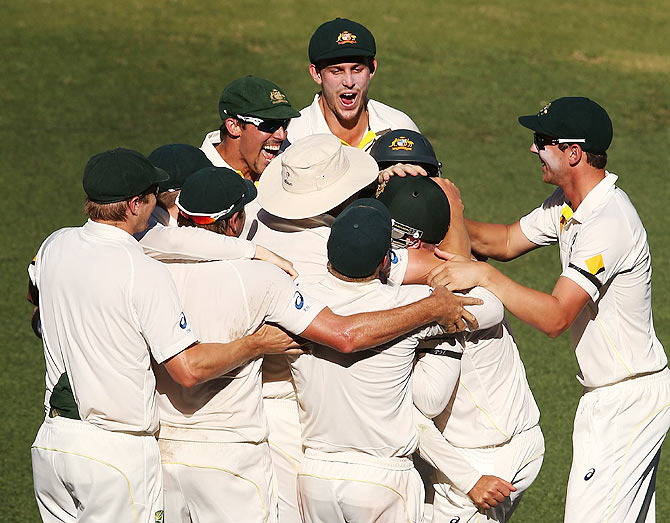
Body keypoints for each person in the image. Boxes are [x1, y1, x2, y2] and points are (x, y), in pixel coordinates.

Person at [156, 167, 487, 522]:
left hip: (161, 447)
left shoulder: (145, 263)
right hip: (235, 452)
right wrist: (432, 307)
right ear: (236, 221)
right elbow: (345, 336)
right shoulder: (263, 277)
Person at [429, 97, 670, 522]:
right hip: (612, 394)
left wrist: (482, 277)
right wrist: (439, 217)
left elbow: (556, 316)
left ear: (573, 152)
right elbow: (503, 241)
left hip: (626, 400)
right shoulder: (568, 204)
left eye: (543, 141)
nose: (532, 149)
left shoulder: (607, 222)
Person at [28, 148, 298, 523]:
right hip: (116, 456)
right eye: (155, 195)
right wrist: (255, 344)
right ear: (136, 204)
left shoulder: (54, 245)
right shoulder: (144, 271)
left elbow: (35, 298)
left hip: (53, 447)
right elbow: (187, 369)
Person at [250, 133, 483, 521]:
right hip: (314, 429)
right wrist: (450, 211)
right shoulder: (327, 247)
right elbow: (452, 274)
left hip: (288, 432)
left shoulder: (259, 225)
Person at [290, 199, 503, 522]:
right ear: (384, 261)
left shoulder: (296, 297)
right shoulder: (406, 302)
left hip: (316, 476)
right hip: (382, 479)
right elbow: (490, 307)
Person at [378, 176, 544, 522]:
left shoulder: (409, 306)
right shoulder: (472, 276)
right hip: (519, 443)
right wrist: (455, 207)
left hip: (481, 465)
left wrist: (469, 479)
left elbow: (414, 411)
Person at [287, 18, 419, 151]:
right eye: (336, 71)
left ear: (372, 69)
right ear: (316, 74)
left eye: (357, 70)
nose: (349, 82)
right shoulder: (293, 137)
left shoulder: (401, 129)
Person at [200, 76, 301, 239]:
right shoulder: (191, 182)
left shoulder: (291, 167)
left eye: (285, 123)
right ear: (234, 126)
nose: (282, 135)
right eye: (269, 125)